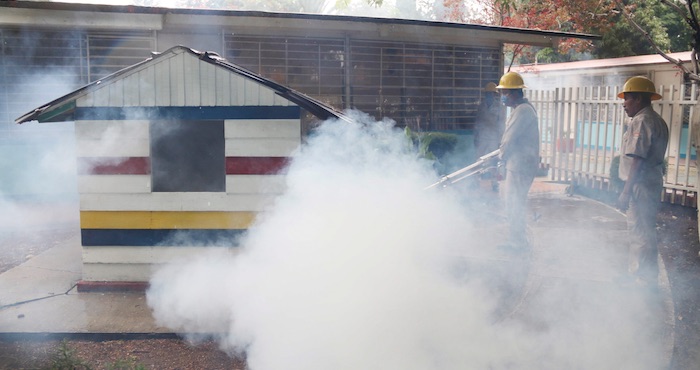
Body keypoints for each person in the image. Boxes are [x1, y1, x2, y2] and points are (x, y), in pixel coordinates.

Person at [616, 76, 669, 288]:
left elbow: (637, 159)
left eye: (627, 99)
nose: (624, 104)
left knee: (639, 233)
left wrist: (626, 192)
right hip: (650, 182)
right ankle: (647, 278)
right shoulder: (656, 119)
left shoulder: (641, 121)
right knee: (646, 231)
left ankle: (639, 282)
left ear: (638, 99)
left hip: (640, 185)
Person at [496, 71, 540, 252]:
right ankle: (517, 240)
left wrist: (500, 158)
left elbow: (509, 139)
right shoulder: (522, 109)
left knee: (513, 203)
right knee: (514, 203)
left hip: (520, 165)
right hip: (520, 164)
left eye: (504, 93)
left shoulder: (523, 111)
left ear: (513, 93)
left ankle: (518, 242)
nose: (502, 97)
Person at [474, 82, 506, 190]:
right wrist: (476, 136)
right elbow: (477, 122)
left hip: (493, 137)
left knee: (494, 161)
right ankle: (476, 180)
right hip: (483, 136)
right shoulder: (481, 106)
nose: (489, 95)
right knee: (478, 159)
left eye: (491, 93)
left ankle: (494, 182)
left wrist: (501, 139)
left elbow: (502, 122)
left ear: (494, 94)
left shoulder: (500, 107)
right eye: (487, 93)